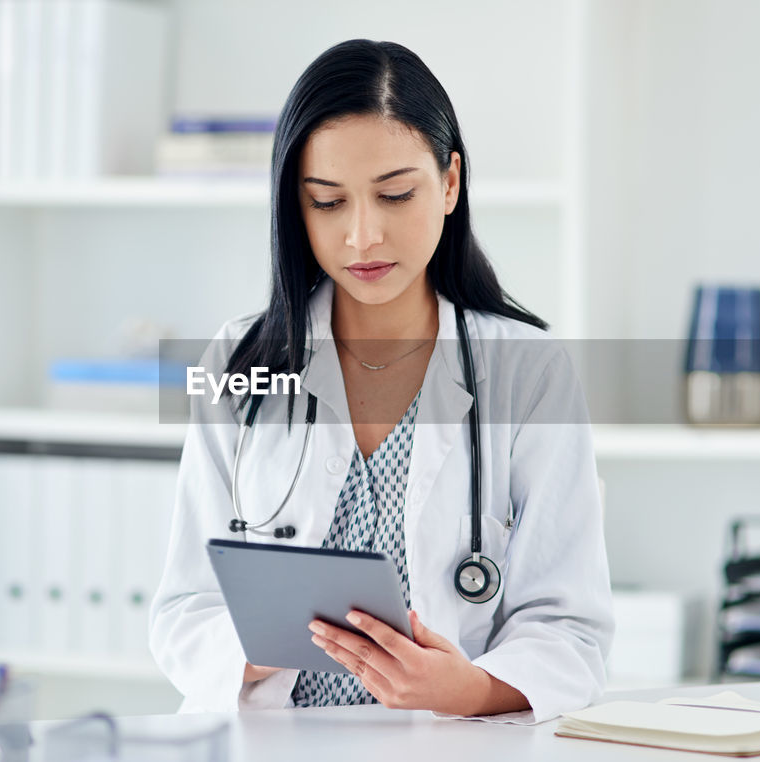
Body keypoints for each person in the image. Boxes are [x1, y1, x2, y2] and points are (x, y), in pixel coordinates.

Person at [149, 38, 613, 723]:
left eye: (395, 195)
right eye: (327, 203)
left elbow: (570, 630)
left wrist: (469, 690)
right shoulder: (236, 362)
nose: (363, 237)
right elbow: (184, 608)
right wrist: (255, 644)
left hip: (447, 742)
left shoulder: (529, 372)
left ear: (450, 183)